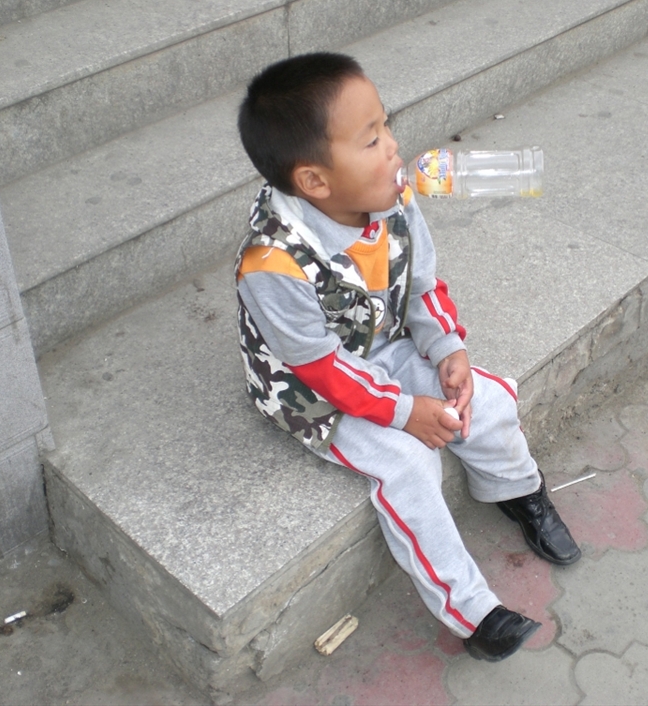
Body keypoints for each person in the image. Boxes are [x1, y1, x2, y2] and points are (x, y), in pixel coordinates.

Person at [235, 52, 580, 662]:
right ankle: (473, 613)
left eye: (386, 127)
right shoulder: (274, 265)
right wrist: (404, 413)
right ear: (315, 180)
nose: (395, 149)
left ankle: (517, 489)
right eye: (372, 140)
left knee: (486, 400)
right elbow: (319, 369)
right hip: (312, 393)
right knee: (408, 466)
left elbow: (422, 285)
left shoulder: (392, 196)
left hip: (383, 343)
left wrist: (448, 348)